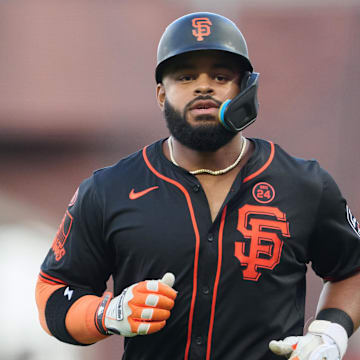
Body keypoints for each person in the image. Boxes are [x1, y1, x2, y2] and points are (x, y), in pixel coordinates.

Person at [35, 12, 360, 360]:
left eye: (220, 76)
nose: (203, 86)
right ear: (161, 94)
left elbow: (352, 269)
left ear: (245, 88)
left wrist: (330, 333)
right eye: (186, 76)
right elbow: (53, 294)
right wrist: (106, 315)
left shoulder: (304, 184)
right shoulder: (108, 189)